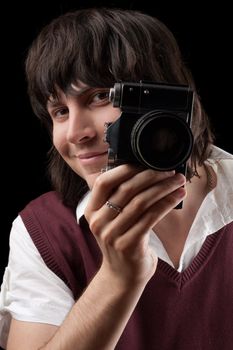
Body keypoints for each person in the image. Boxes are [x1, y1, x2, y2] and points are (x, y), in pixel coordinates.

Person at [0, 7, 232, 350]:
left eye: (99, 97)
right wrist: (118, 277)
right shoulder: (43, 231)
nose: (75, 134)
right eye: (60, 112)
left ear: (166, 97)